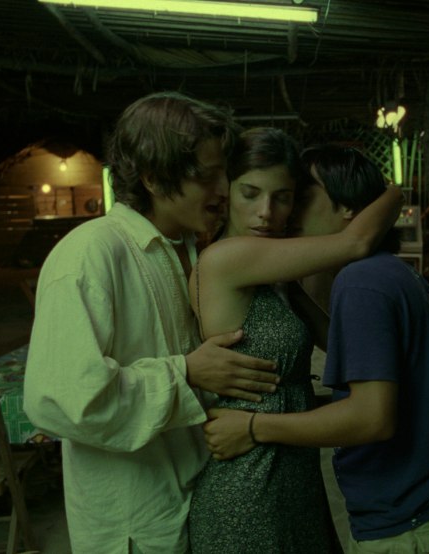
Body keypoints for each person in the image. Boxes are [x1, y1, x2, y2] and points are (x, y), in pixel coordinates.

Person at [23, 92, 284, 553]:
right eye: (206, 176)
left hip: (198, 500)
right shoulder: (89, 254)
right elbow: (64, 400)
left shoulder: (191, 249)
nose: (222, 189)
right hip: (135, 523)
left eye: (224, 173)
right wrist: (185, 372)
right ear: (153, 178)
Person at [201, 145, 429, 553]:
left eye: (300, 196)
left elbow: (372, 417)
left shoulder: (360, 283)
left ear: (349, 207)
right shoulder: (392, 271)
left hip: (412, 520)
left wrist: (252, 427)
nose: (288, 212)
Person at [186, 128, 402, 553]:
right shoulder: (228, 257)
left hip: (289, 470)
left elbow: (336, 345)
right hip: (248, 485)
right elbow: (356, 242)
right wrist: (396, 192)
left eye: (282, 198)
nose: (266, 212)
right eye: (250, 193)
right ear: (227, 190)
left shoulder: (274, 275)